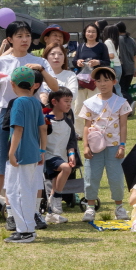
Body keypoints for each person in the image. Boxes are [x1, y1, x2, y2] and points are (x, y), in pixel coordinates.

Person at [0, 21, 58, 228]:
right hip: (5, 116)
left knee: (32, 165)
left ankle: (33, 212)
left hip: (30, 115)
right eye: (19, 36)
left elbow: (54, 87)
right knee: (0, 167)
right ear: (9, 40)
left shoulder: (37, 60)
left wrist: (42, 69)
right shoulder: (0, 63)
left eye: (27, 36)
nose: (24, 40)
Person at [78, 66, 131, 223]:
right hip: (94, 146)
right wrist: (85, 146)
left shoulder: (121, 102)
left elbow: (123, 126)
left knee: (116, 177)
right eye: (99, 80)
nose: (102, 84)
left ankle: (119, 207)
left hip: (114, 146)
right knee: (91, 176)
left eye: (106, 80)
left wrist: (122, 145)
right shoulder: (89, 103)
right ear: (94, 83)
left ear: (114, 82)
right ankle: (90, 207)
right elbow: (86, 126)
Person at [1, 67, 46, 243]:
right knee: (26, 190)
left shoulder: (19, 102)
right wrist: (42, 150)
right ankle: (27, 229)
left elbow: (18, 129)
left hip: (21, 154)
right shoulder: (35, 101)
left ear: (13, 84)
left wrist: (11, 153)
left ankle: (25, 231)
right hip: (33, 152)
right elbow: (42, 128)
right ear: (33, 85)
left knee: (15, 192)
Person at [39, 89, 79, 225]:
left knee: (56, 182)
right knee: (66, 169)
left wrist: (71, 153)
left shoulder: (68, 122)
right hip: (48, 156)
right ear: (54, 102)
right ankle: (57, 197)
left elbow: (71, 140)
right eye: (66, 101)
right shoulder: (45, 119)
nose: (69, 105)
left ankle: (51, 214)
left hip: (61, 156)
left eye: (70, 102)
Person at [110, 21, 136, 103]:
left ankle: (131, 103)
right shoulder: (131, 39)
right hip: (130, 68)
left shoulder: (116, 40)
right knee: (125, 88)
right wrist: (135, 68)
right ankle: (126, 106)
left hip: (122, 67)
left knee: (121, 89)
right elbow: (135, 56)